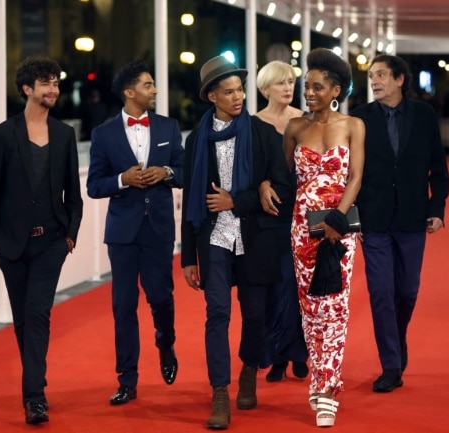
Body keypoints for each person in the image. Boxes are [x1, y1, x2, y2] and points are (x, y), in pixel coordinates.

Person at [181, 55, 291, 430]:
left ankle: (248, 370)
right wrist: (186, 257)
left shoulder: (263, 134)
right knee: (217, 314)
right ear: (211, 95)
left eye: (240, 90)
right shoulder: (196, 140)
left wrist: (239, 199)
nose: (238, 97)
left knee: (255, 314)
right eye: (228, 92)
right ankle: (219, 392)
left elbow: (283, 188)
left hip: (254, 235)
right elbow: (189, 202)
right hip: (212, 237)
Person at [0, 56, 83, 425]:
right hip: (11, 246)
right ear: (27, 89)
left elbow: (74, 190)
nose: (53, 89)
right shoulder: (3, 135)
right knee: (23, 320)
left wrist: (71, 233)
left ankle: (34, 397)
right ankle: (34, 381)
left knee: (38, 314)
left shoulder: (65, 134)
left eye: (55, 82)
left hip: (52, 243)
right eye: (45, 83)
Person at [351, 54, 449, 393]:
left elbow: (438, 165)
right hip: (373, 220)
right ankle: (390, 365)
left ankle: (398, 336)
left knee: (406, 291)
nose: (374, 81)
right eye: (371, 76)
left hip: (412, 217)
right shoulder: (360, 117)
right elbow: (350, 173)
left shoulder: (423, 115)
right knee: (380, 292)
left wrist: (437, 208)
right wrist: (352, 218)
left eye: (381, 74)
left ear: (399, 79)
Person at [87, 60, 184, 405]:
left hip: (158, 229)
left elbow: (185, 172)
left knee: (161, 297)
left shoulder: (169, 126)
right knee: (123, 306)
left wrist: (166, 171)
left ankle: (166, 342)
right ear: (130, 92)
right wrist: (121, 180)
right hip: (122, 233)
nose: (155, 90)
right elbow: (94, 186)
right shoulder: (103, 134)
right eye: (148, 85)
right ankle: (127, 379)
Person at [283, 48, 365, 427]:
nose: (309, 92)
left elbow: (355, 179)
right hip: (303, 230)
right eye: (306, 86)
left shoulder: (353, 125)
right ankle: (318, 378)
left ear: (335, 89)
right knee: (310, 310)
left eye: (317, 87)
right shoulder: (295, 128)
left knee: (335, 307)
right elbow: (292, 180)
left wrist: (337, 218)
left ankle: (328, 388)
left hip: (340, 229)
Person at [255, 60, 308, 382]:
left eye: (291, 81)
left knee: (298, 286)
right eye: (281, 83)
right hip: (268, 214)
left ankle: (298, 353)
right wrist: (262, 185)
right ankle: (276, 356)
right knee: (274, 288)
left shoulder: (304, 121)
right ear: (265, 89)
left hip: (301, 211)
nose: (289, 87)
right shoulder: (253, 124)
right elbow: (249, 170)